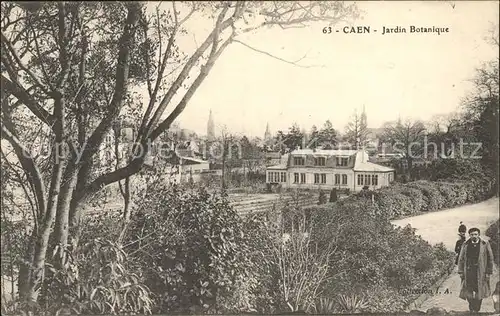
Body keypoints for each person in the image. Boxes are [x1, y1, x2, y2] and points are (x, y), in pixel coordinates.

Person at [457, 227, 494, 313]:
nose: (474, 236)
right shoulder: (465, 244)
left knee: (479, 290)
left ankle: (477, 308)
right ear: (469, 235)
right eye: (472, 234)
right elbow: (461, 258)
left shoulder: (485, 244)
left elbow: (490, 258)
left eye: (475, 234)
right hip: (469, 272)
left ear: (479, 235)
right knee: (468, 290)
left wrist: (488, 272)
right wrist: (461, 271)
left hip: (481, 272)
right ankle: (471, 307)